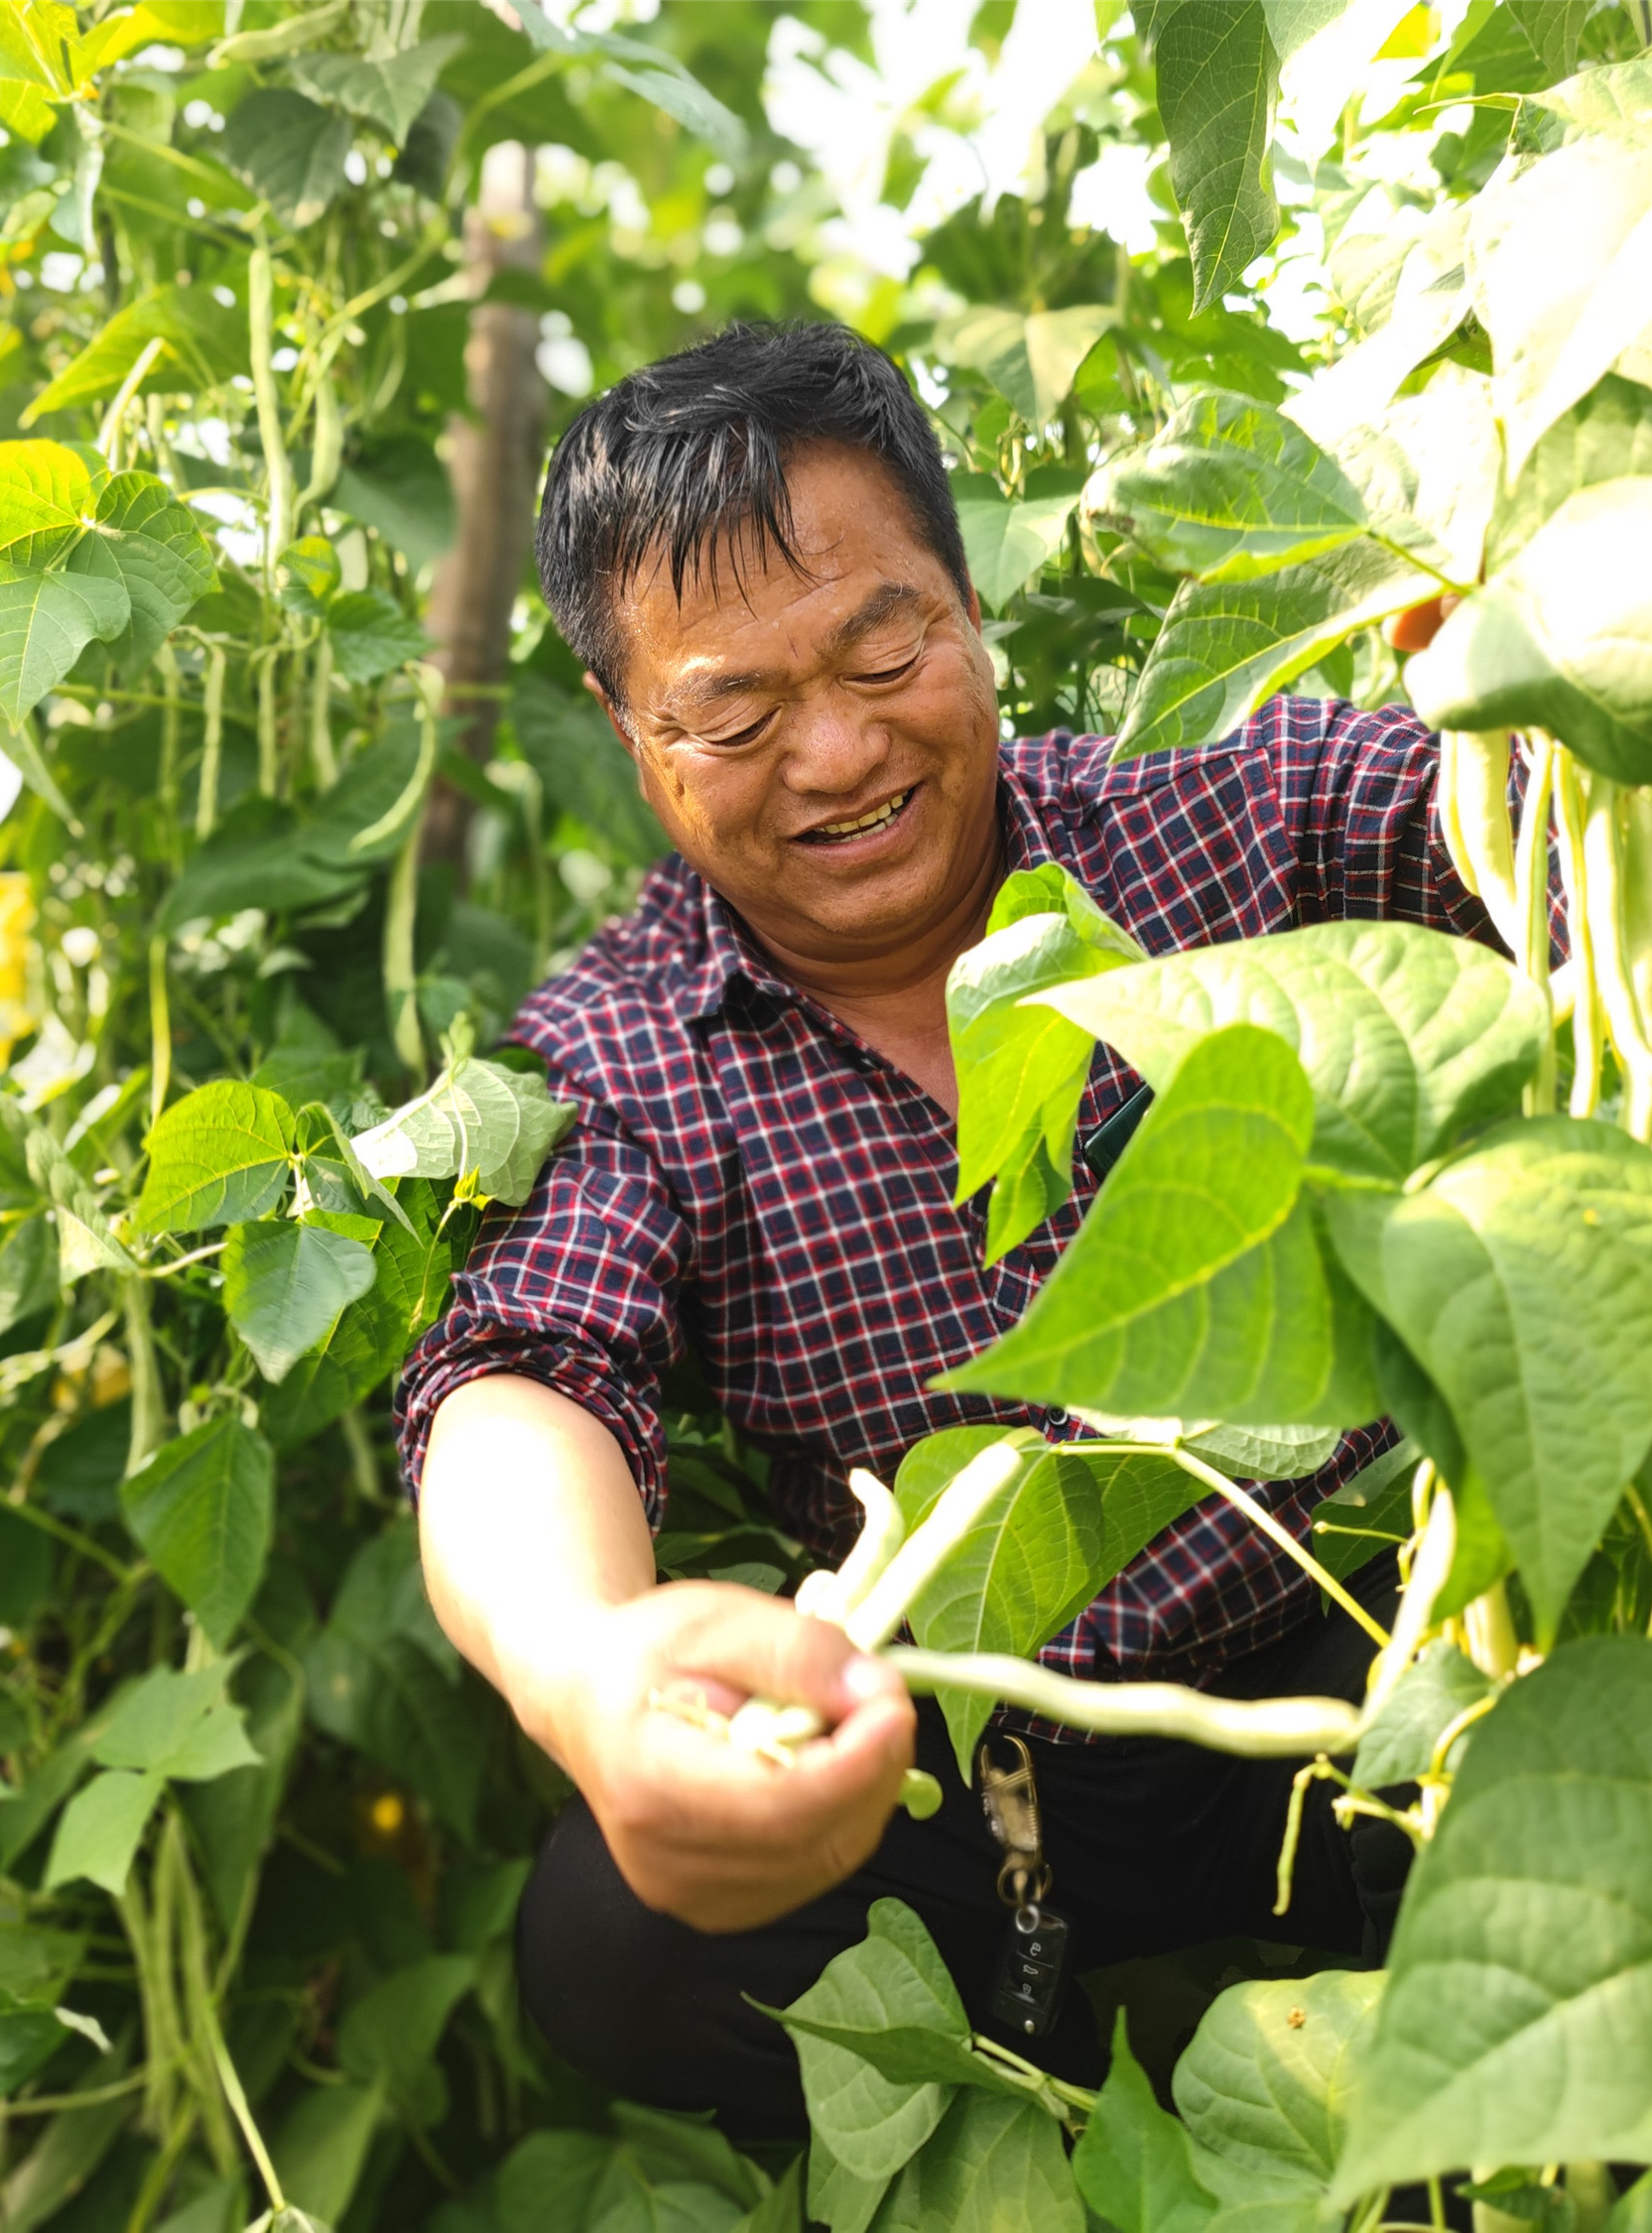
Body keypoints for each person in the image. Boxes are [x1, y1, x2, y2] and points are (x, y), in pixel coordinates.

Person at [400, 322, 1492, 2140]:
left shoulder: (1215, 815)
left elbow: (1533, 830)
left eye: (882, 644)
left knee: (1557, 1734)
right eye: (734, 713)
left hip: (1355, 1648)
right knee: (611, 1940)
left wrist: (1546, 698)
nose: (836, 751)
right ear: (630, 735)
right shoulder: (624, 1043)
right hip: (993, 1780)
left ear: (969, 603)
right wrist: (589, 1667)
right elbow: (524, 1367)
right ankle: (1022, 2108)